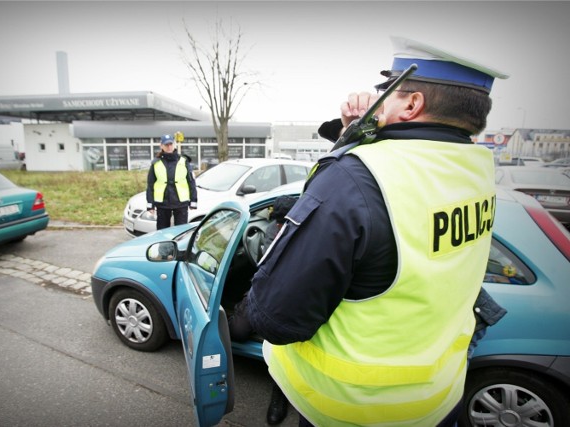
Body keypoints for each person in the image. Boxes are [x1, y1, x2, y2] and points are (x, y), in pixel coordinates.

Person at [241, 36, 509, 426]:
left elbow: (276, 319)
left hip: (347, 408)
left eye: (388, 90)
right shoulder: (476, 171)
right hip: (436, 398)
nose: (376, 99)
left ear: (413, 103)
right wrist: (353, 134)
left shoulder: (355, 177)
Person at [228, 195, 297, 425]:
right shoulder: (270, 231)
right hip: (264, 290)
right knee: (236, 331)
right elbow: (265, 266)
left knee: (282, 341)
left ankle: (280, 392)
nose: (278, 226)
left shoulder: (307, 236)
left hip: (292, 298)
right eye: (277, 222)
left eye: (282, 223)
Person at [146, 134, 197, 230]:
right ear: (161, 146)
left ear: (174, 145)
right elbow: (150, 185)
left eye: (171, 144)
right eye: (166, 145)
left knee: (181, 231)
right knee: (162, 232)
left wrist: (193, 201)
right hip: (162, 203)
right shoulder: (156, 163)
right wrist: (150, 205)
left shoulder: (184, 161)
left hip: (181, 203)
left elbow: (191, 182)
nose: (169, 147)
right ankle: (164, 246)